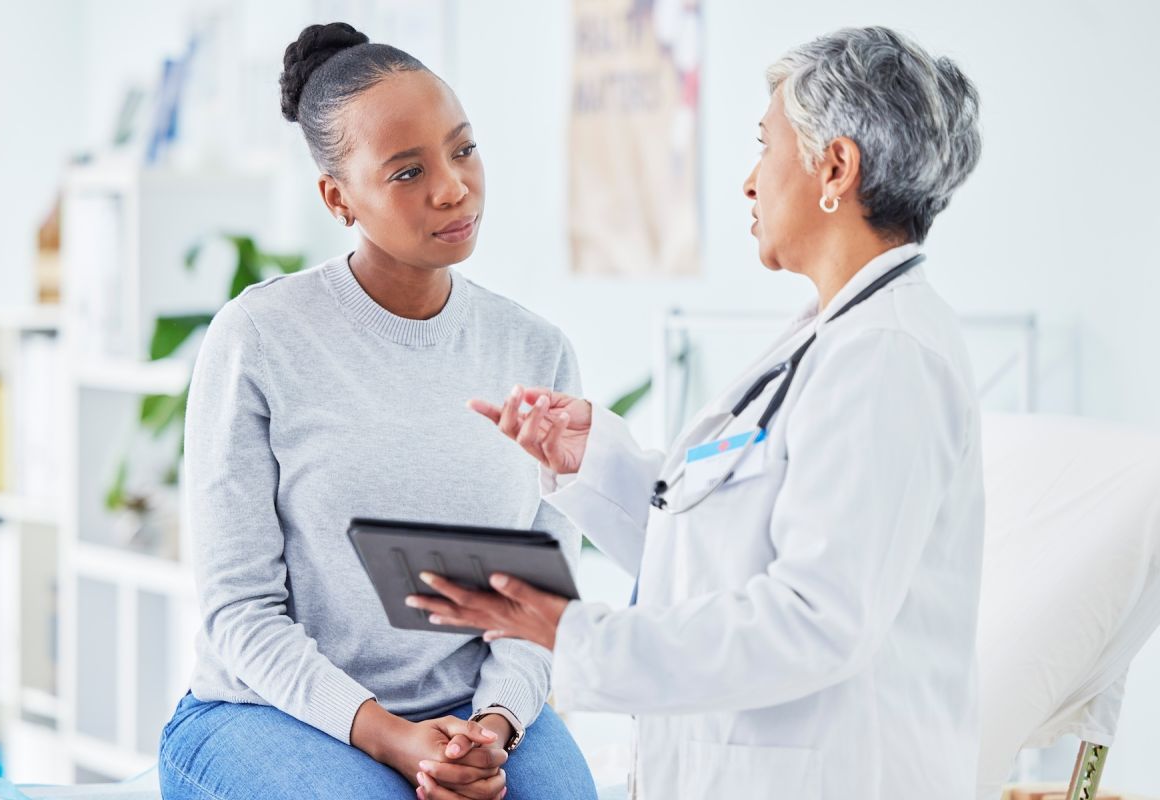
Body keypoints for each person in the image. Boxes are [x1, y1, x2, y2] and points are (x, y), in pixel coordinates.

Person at [408, 26, 986, 799]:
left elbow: (817, 619)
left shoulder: (887, 355)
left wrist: (573, 634)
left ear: (835, 169)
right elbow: (719, 554)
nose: (750, 181)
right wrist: (597, 463)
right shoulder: (833, 337)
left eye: (765, 146)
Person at [158, 22, 597, 800]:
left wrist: (491, 728)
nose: (452, 186)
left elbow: (540, 599)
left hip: (468, 710)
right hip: (266, 712)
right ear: (338, 198)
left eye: (463, 150)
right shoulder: (259, 339)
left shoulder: (536, 349)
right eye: (406, 172)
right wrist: (394, 740)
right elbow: (240, 611)